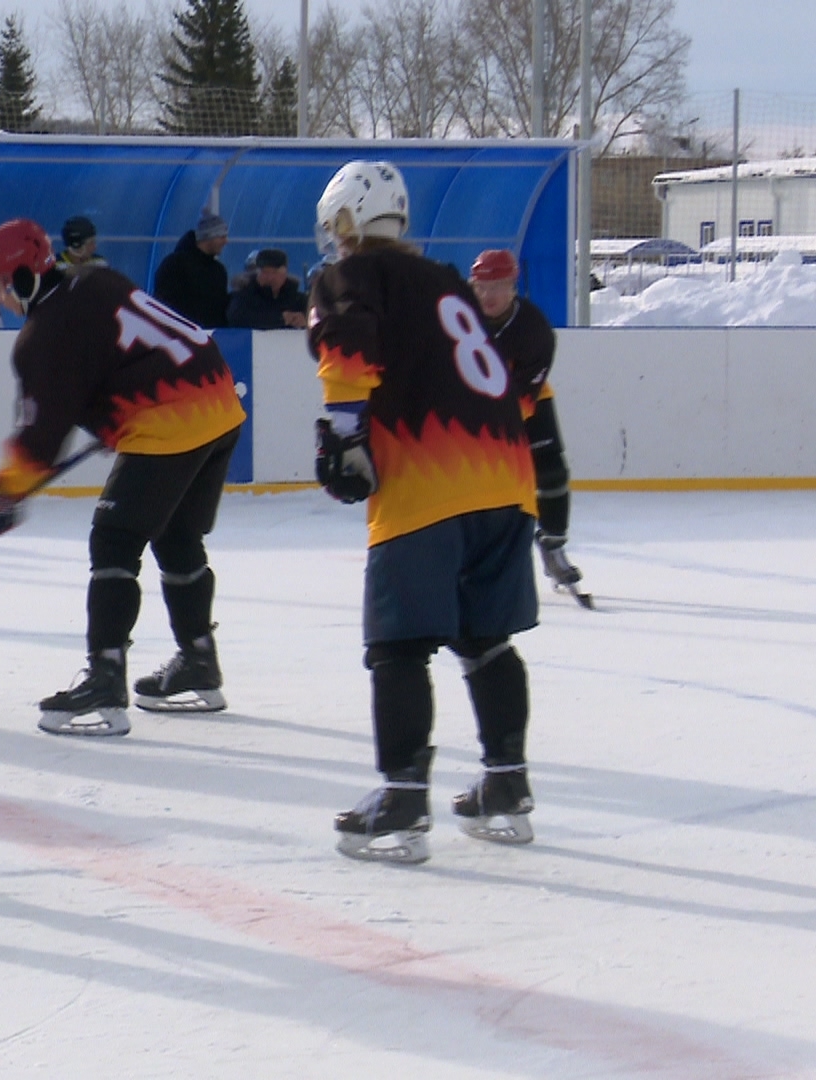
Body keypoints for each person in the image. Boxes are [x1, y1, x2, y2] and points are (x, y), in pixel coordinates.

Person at [308, 161, 540, 865]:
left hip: (430, 481)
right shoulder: (445, 282)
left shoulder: (353, 273)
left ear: (347, 221)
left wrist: (345, 434)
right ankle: (506, 785)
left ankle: (403, 801)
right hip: (508, 477)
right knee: (486, 639)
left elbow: (348, 344)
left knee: (399, 646)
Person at [0, 218, 246, 737]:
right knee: (176, 535)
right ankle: (199, 661)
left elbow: (42, 434)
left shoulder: (44, 334)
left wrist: (5, 491)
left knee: (114, 540)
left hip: (171, 420)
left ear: (25, 277)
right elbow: (126, 352)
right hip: (220, 399)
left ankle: (105, 677)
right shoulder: (95, 279)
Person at [471, 248, 585, 601]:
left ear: (513, 285)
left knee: (550, 471)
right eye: (481, 287)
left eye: (497, 286)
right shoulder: (459, 317)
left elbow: (523, 396)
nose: (488, 295)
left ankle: (553, 545)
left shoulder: (534, 329)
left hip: (523, 401)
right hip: (467, 403)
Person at [153, 211, 230, 329]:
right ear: (209, 237)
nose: (226, 241)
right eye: (222, 237)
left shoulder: (219, 271)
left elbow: (220, 309)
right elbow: (163, 303)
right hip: (179, 333)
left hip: (209, 336)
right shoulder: (175, 264)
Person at [225, 248, 308, 330]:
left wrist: (305, 321)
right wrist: (280, 319)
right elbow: (237, 318)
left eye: (275, 272)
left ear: (285, 273)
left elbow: (313, 319)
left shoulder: (299, 300)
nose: (270, 278)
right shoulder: (243, 297)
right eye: (265, 272)